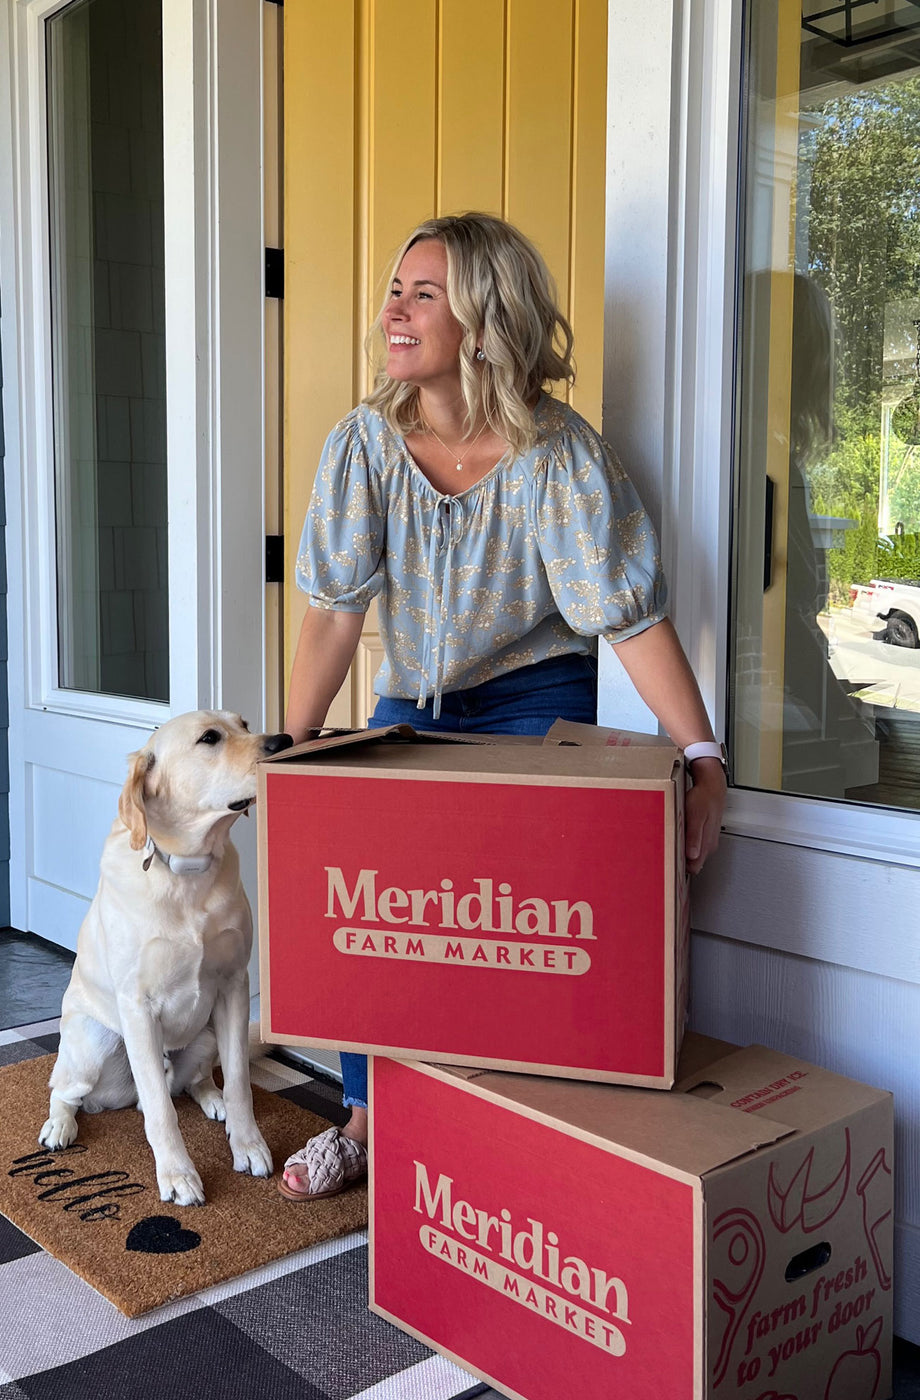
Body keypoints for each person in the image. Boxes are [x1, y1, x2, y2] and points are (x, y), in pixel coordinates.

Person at [277, 213, 727, 1201]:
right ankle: (364, 1118)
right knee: (372, 898)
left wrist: (701, 756)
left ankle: (514, 1123)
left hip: (535, 700)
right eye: (394, 287)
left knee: (521, 908)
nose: (393, 306)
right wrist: (291, 755)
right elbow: (332, 617)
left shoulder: (557, 455)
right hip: (409, 707)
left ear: (481, 320)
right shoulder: (362, 443)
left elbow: (627, 617)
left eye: (422, 292)